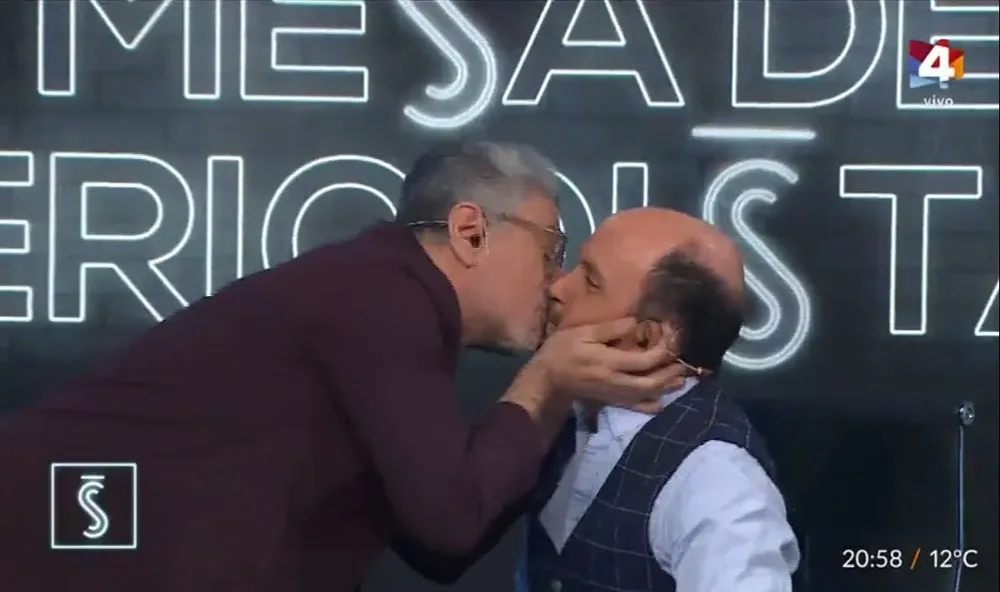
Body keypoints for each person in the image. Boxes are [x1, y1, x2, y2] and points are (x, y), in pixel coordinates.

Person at [0, 142, 685, 592]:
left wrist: (553, 397)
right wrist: (542, 384)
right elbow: (450, 519)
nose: (556, 284)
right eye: (551, 251)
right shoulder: (381, 297)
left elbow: (443, 544)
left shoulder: (381, 300)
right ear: (470, 232)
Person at [403, 208, 800, 591]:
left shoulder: (716, 481)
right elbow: (447, 535)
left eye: (591, 282)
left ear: (650, 337)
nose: (557, 288)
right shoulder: (568, 408)